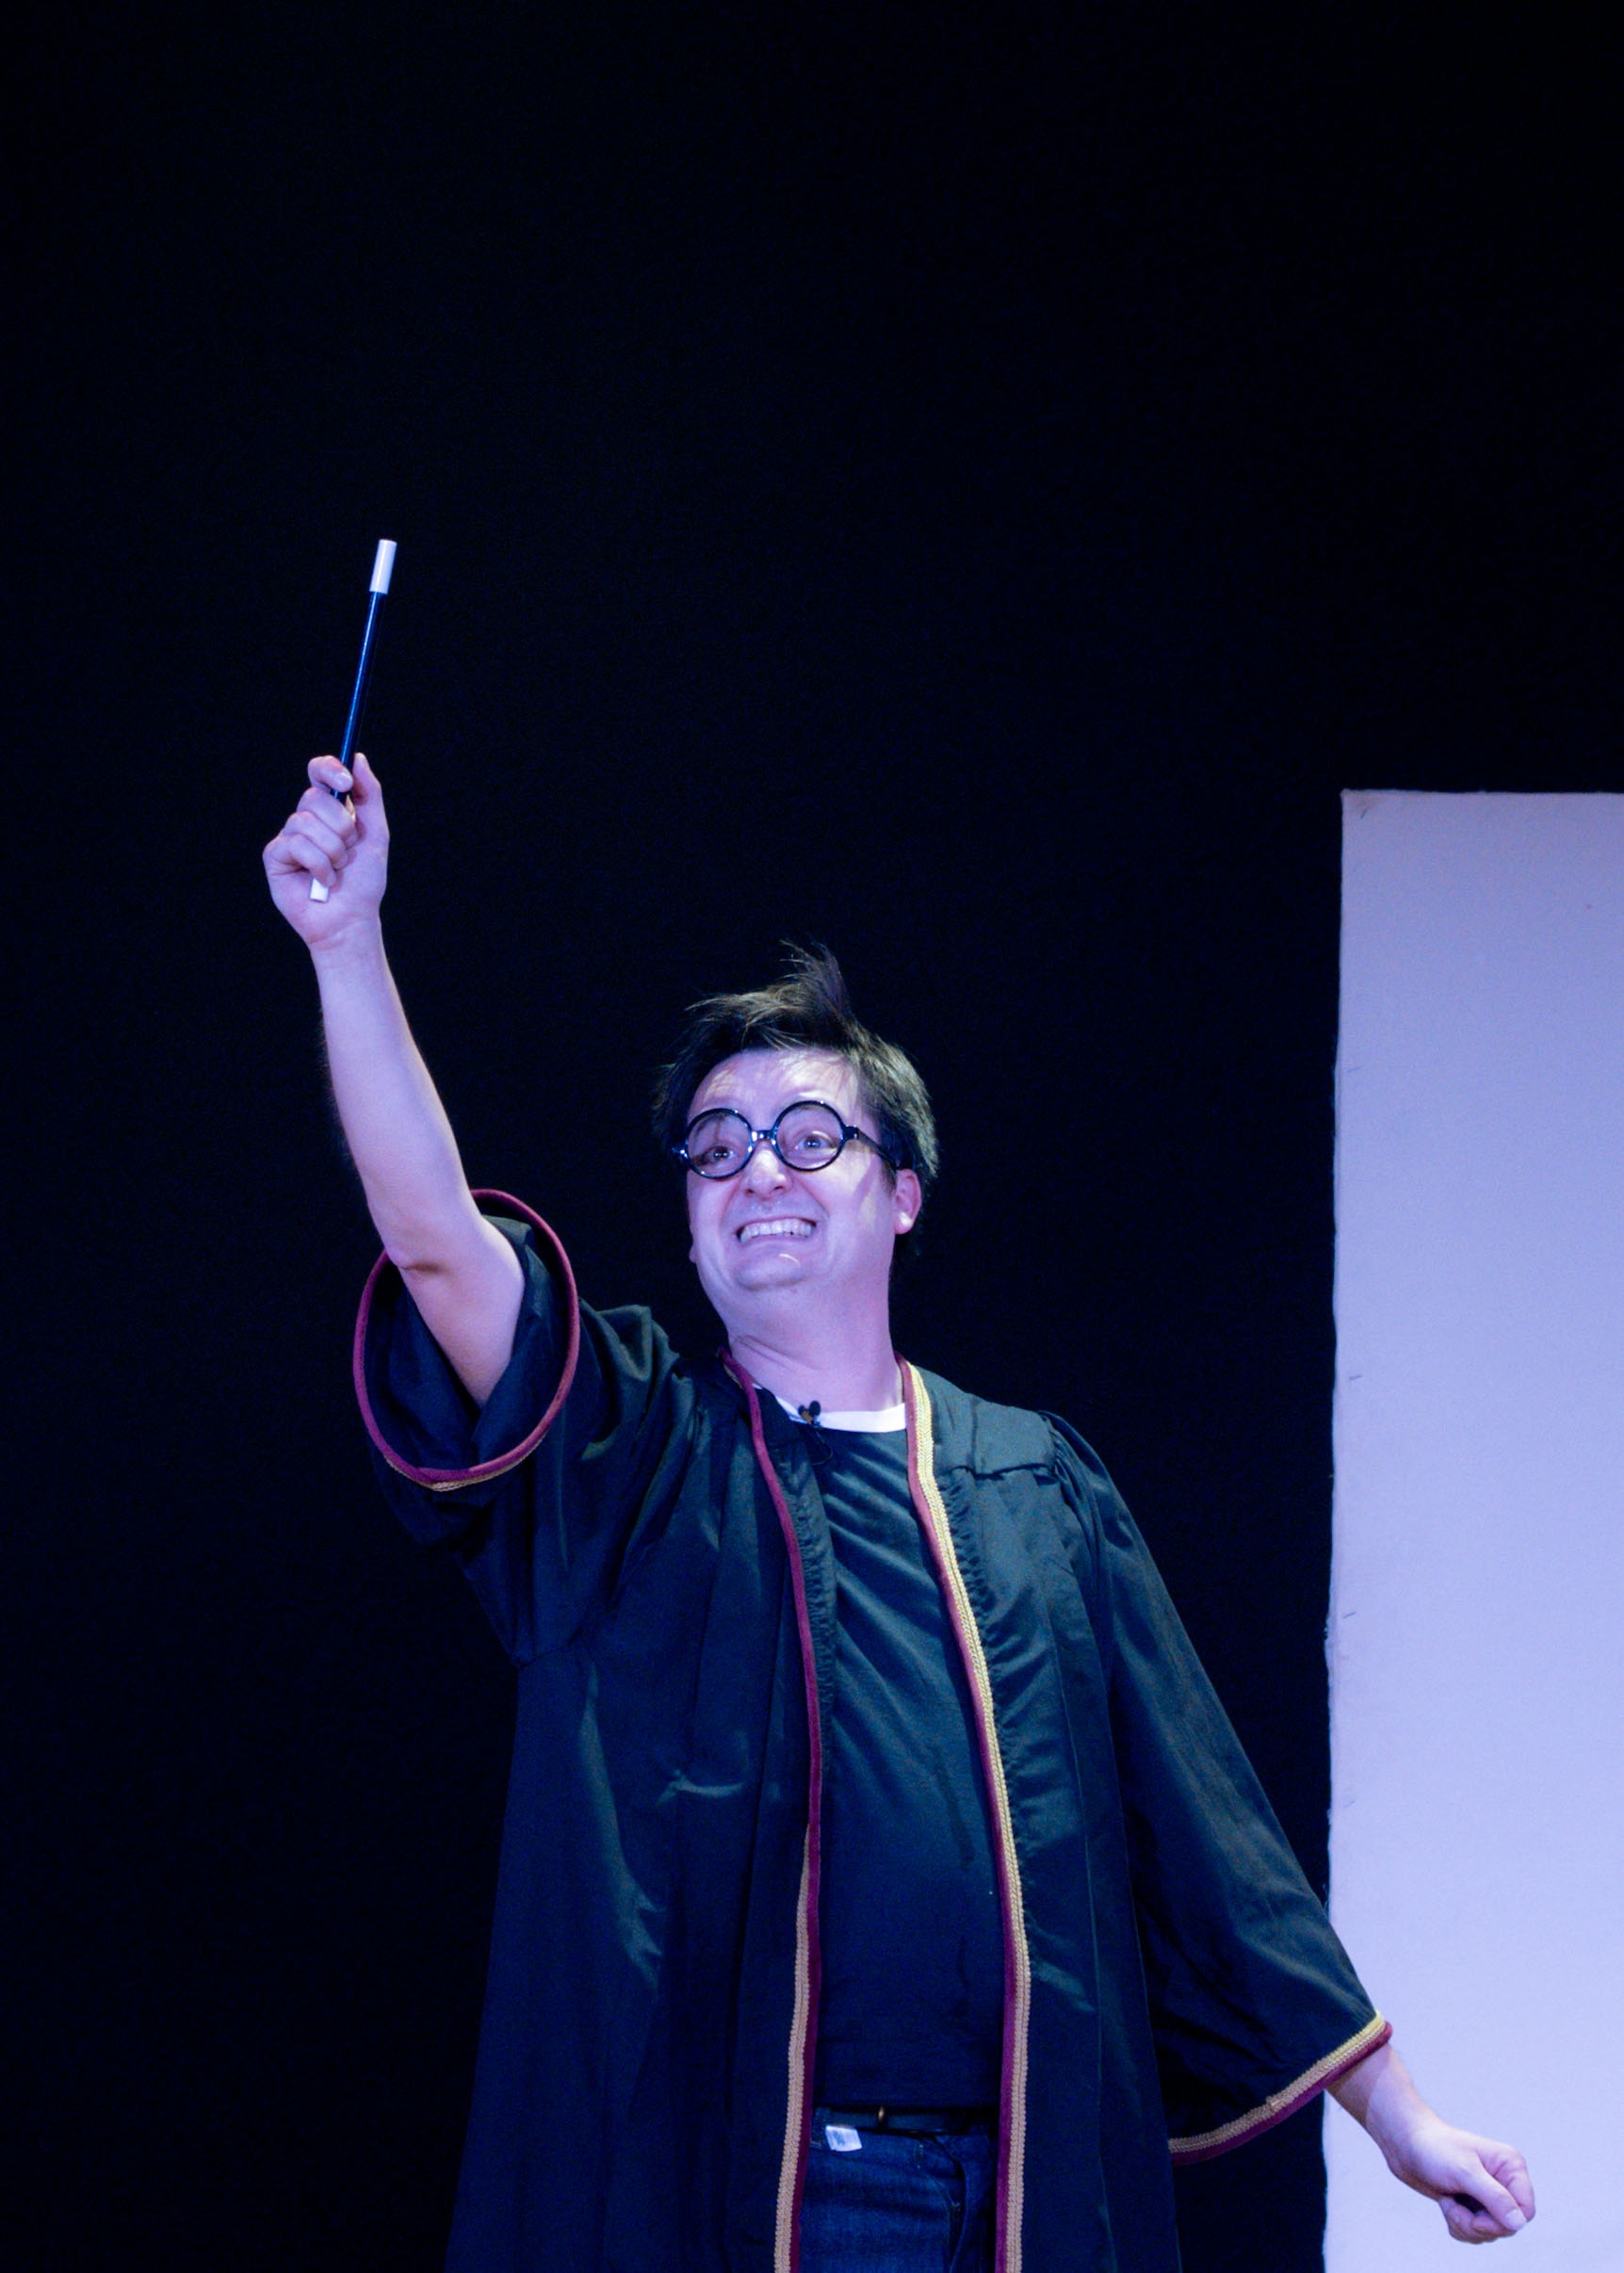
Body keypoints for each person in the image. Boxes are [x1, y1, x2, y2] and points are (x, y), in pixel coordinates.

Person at [265, 752, 1535, 2272]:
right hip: (743, 2188)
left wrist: (1401, 2117)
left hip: (1009, 2191)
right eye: (716, 1148)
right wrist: (348, 943)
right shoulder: (636, 1448)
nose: (759, 1173)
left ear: (903, 1190)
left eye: (810, 1137)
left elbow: (1209, 1834)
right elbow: (433, 1235)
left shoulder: (1035, 1486)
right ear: (689, 1213)